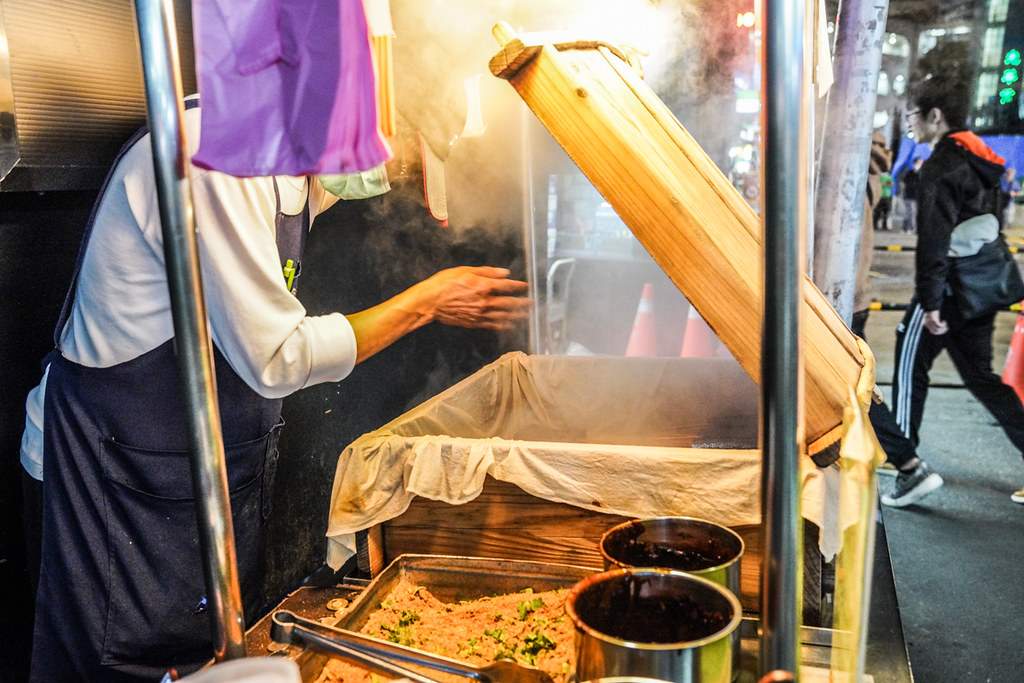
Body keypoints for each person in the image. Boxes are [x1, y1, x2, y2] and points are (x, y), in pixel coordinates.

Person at [19, 98, 531, 682]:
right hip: (114, 480)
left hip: (200, 473)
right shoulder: (218, 156)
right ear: (359, 94)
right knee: (117, 670)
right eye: (407, 154)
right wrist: (425, 302)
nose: (394, 177)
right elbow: (275, 356)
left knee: (205, 666)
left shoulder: (299, 167)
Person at [893, 75, 1024, 506]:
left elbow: (933, 239)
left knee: (909, 363)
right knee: (983, 379)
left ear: (935, 116)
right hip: (980, 286)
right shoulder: (983, 160)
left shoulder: (941, 165)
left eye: (911, 114)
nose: (908, 123)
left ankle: (906, 465)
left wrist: (930, 303)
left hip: (946, 289)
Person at [854, 132, 943, 507]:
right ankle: (906, 465)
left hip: (831, 295)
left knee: (852, 384)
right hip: (851, 293)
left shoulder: (840, 159)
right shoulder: (866, 162)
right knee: (854, 383)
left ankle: (908, 465)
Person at [898, 156, 924, 234]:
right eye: (918, 162)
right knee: (910, 212)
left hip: (918, 196)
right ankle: (909, 228)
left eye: (921, 163)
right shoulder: (909, 172)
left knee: (914, 213)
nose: (919, 164)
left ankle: (907, 228)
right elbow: (904, 182)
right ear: (914, 163)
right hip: (908, 195)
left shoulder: (922, 173)